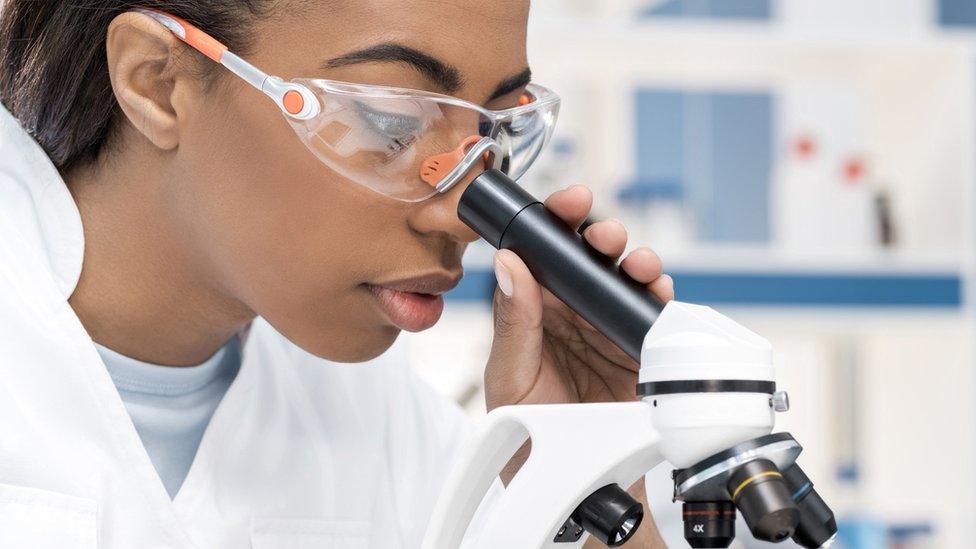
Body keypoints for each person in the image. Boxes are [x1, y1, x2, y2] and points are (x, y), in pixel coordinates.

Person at [0, 1, 674, 547]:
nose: (462, 217)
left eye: (495, 135)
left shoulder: (383, 422)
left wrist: (582, 470)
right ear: (157, 81)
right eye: (391, 121)